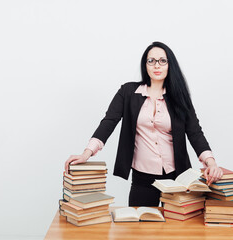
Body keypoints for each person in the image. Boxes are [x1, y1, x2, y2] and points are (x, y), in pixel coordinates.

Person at [65, 41, 223, 207]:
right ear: (145, 65)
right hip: (142, 178)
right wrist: (86, 153)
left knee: (176, 231)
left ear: (170, 65)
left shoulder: (179, 97)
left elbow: (195, 132)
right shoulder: (128, 92)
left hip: (177, 177)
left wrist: (211, 163)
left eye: (162, 60)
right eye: (151, 60)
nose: (157, 65)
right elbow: (109, 122)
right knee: (140, 228)